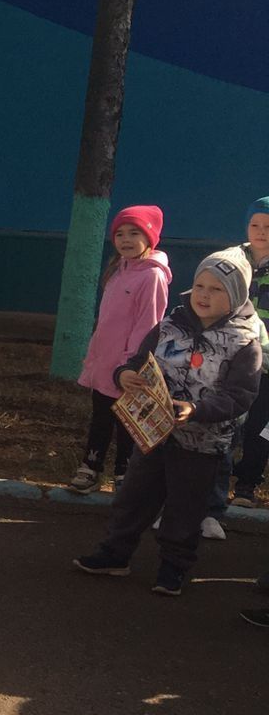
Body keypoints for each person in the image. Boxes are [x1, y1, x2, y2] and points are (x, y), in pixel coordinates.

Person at [73, 248, 262, 595]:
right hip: (153, 432)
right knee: (134, 496)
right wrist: (125, 374)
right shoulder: (171, 323)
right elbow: (139, 360)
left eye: (217, 289)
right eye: (200, 285)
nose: (204, 295)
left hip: (201, 444)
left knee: (185, 508)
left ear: (236, 295)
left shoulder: (245, 341)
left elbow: (240, 396)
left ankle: (174, 567)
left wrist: (197, 410)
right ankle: (115, 553)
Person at [67, 206, 170, 495]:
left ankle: (125, 474)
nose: (125, 239)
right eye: (120, 234)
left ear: (150, 237)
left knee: (128, 422)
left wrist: (129, 365)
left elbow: (148, 325)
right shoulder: (118, 269)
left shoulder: (152, 277)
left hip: (126, 369)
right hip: (105, 364)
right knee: (100, 417)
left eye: (134, 233)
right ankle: (91, 467)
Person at [228, 196, 269, 504]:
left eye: (268, 226)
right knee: (226, 418)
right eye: (255, 224)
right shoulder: (232, 261)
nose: (261, 231)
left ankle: (248, 482)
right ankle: (216, 475)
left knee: (260, 426)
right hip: (231, 358)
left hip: (266, 365)